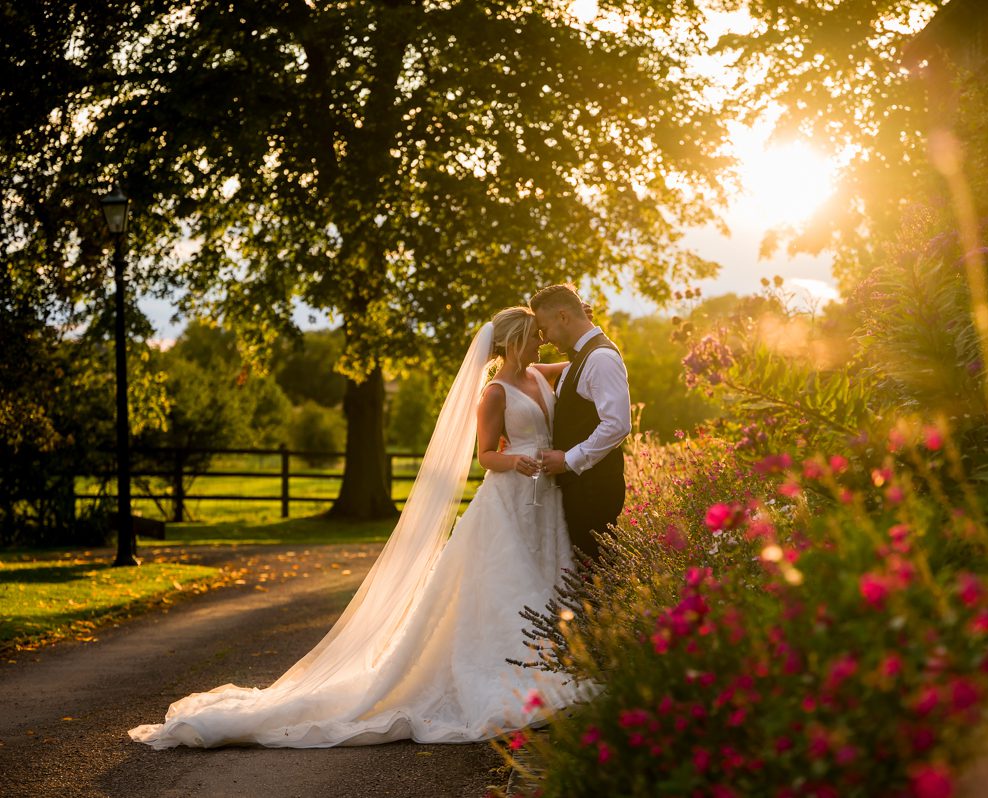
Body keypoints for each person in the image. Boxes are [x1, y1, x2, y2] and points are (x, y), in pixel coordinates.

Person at [128, 306, 579, 749]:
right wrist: (514, 460)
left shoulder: (541, 374)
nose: (542, 338)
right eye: (535, 333)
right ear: (516, 340)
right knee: (509, 587)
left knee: (544, 578)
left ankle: (551, 665)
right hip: (508, 499)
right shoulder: (495, 393)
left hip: (544, 502)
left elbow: (584, 355)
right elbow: (485, 455)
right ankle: (519, 676)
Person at [531, 284, 632, 564]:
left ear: (563, 317)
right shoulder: (581, 358)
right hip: (580, 490)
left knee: (596, 578)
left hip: (593, 493)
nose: (544, 339)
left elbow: (617, 425)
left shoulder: (600, 358)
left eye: (544, 329)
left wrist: (568, 460)